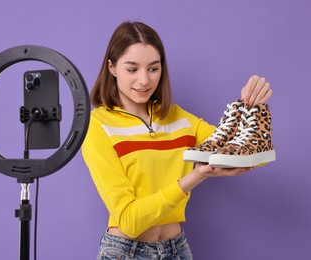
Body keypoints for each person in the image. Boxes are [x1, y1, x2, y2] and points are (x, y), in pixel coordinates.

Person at [81, 21, 272, 260]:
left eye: (153, 68)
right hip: (126, 252)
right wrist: (195, 176)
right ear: (112, 67)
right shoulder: (98, 125)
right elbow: (129, 221)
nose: (144, 80)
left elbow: (255, 154)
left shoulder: (179, 118)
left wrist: (250, 107)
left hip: (177, 249)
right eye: (132, 69)